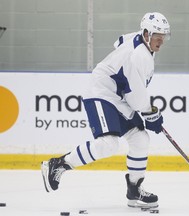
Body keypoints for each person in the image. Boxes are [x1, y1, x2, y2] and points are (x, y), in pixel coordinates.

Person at [41, 12, 170, 209]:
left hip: (118, 97)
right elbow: (137, 99)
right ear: (146, 34)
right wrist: (151, 114)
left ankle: (134, 189)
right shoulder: (139, 56)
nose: (160, 41)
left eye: (163, 37)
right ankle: (58, 164)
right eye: (156, 37)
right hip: (101, 92)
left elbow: (118, 42)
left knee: (140, 139)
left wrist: (149, 113)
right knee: (108, 144)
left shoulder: (139, 41)